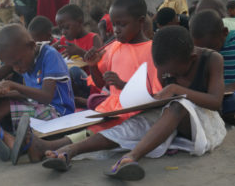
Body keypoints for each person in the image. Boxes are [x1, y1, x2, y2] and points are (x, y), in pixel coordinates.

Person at [0, 0, 162, 166]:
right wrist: (93, 66)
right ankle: (39, 146)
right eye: (114, 25)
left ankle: (43, 147)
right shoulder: (114, 47)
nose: (116, 30)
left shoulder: (152, 50)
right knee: (89, 127)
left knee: (97, 130)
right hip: (110, 108)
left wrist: (123, 84)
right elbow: (99, 85)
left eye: (122, 25)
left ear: (140, 22)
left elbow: (153, 94)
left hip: (132, 111)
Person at [41, 25, 226, 180]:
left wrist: (177, 89)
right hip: (169, 116)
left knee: (179, 105)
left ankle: (131, 157)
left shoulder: (212, 59)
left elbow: (216, 102)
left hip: (202, 122)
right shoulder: (165, 62)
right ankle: (71, 150)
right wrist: (147, 100)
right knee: (132, 125)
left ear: (192, 58)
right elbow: (164, 95)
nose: (171, 76)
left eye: (175, 73)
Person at [0, 24, 75, 157]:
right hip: (36, 107)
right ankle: (2, 134)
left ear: (31, 45)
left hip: (58, 113)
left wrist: (13, 85)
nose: (16, 68)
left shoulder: (50, 56)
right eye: (12, 65)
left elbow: (46, 97)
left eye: (17, 63)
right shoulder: (22, 57)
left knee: (5, 105)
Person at [54, 4, 103, 106]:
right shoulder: (64, 40)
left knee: (74, 70)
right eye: (61, 29)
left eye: (67, 27)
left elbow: (100, 63)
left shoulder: (94, 38)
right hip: (73, 83)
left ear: (80, 22)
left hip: (92, 84)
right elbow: (51, 50)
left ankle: (84, 100)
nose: (64, 32)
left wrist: (80, 52)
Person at [190, 10, 235, 117]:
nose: (209, 53)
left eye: (212, 47)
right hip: (214, 98)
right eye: (202, 49)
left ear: (224, 32)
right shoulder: (195, 50)